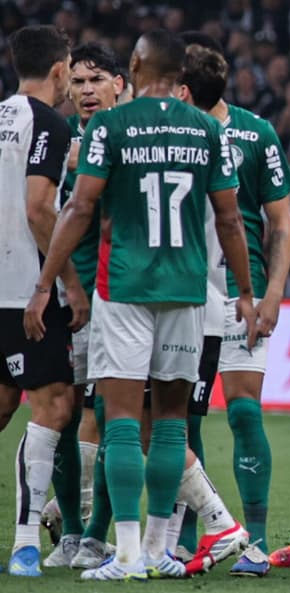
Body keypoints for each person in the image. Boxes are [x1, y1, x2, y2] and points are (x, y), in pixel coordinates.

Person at [23, 29, 257, 581]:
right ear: (181, 75)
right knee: (171, 423)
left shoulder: (110, 126)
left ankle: (126, 553)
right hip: (187, 291)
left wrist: (45, 284)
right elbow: (230, 218)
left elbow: (80, 208)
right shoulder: (208, 128)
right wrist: (246, 292)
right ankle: (157, 550)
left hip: (125, 287)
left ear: (133, 66)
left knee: (123, 421)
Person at [179, 29, 290, 577]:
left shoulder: (256, 132)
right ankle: (190, 539)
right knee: (184, 419)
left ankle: (258, 541)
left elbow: (280, 220)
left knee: (245, 411)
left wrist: (273, 292)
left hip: (239, 295)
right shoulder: (169, 133)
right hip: (183, 291)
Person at [0, 24, 87, 578]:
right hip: (25, 290)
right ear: (59, 70)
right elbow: (38, 209)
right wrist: (68, 282)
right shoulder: (49, 124)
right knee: (54, 404)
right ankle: (26, 544)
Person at [41, 41, 126, 572]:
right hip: (63, 301)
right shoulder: (55, 141)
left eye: (97, 79)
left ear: (119, 83)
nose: (87, 90)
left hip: (115, 300)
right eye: (78, 81)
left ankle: (97, 535)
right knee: (63, 416)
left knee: (115, 418)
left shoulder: (128, 137)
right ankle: (72, 533)